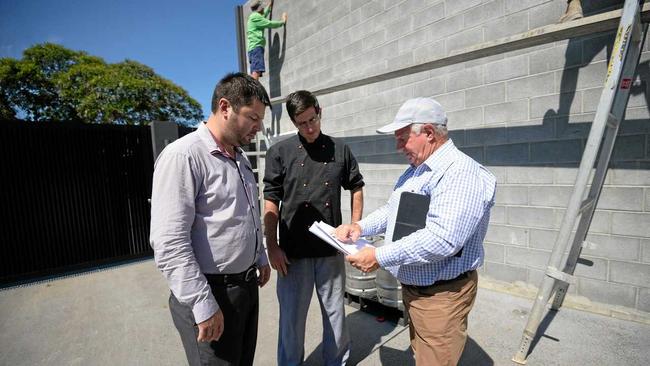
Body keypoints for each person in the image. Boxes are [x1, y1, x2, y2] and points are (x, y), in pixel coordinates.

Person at [335, 98, 497, 366]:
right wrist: (359, 227)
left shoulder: (460, 173)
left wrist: (379, 256)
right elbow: (392, 210)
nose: (398, 148)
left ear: (429, 133)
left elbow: (442, 239)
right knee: (423, 356)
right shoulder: (417, 171)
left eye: (402, 139)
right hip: (419, 293)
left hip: (440, 297)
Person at [150, 72, 272, 366]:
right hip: (210, 291)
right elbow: (169, 242)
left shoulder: (239, 157)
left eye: (260, 120)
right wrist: (202, 304)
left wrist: (259, 256)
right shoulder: (184, 156)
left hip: (244, 289)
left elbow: (242, 215)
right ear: (225, 106)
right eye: (252, 117)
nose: (258, 127)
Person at [263, 90, 365, 365]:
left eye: (312, 119)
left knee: (334, 315)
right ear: (294, 123)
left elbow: (357, 186)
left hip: (330, 250)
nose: (309, 128)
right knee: (291, 320)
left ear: (319, 111)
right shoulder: (279, 153)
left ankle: (337, 362)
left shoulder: (339, 149)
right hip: (292, 254)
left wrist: (355, 224)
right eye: (302, 123)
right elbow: (271, 203)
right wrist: (271, 247)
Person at [247, 0, 287, 80]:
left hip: (253, 49)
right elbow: (269, 24)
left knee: (255, 70)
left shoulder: (254, 17)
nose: (263, 8)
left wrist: (269, 6)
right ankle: (253, 91)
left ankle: (253, 89)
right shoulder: (256, 17)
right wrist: (282, 22)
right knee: (256, 71)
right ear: (259, 8)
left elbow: (263, 15)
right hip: (256, 48)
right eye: (262, 7)